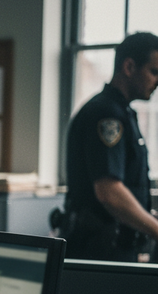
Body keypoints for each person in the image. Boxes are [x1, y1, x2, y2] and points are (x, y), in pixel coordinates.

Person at [60, 32, 158, 261]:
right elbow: (109, 192)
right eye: (153, 72)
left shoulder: (123, 113)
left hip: (115, 246)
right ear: (129, 66)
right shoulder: (106, 115)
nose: (157, 82)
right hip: (99, 249)